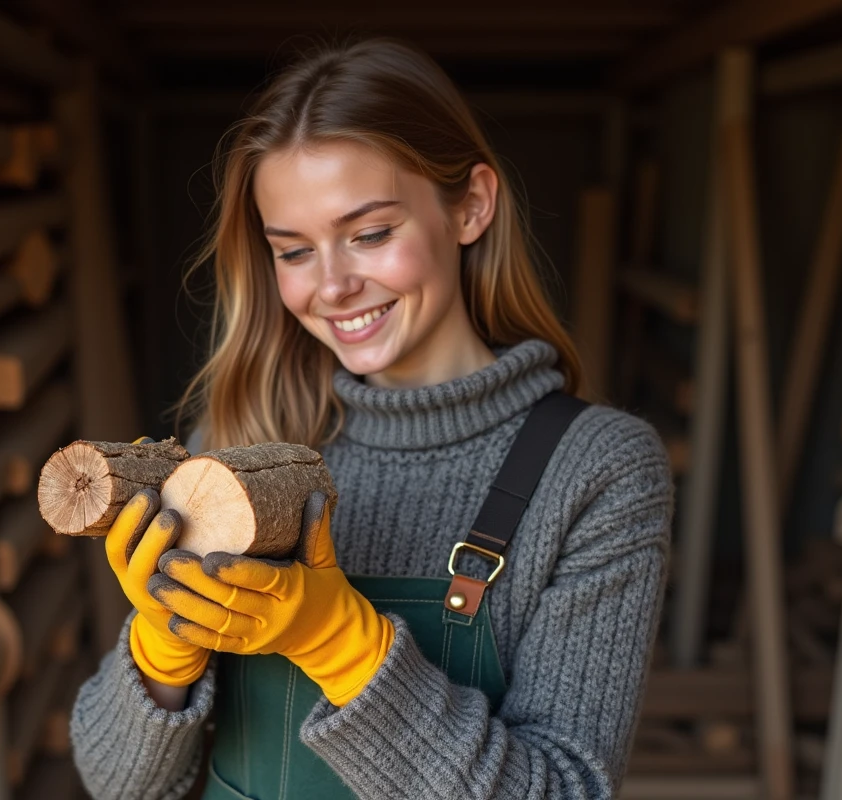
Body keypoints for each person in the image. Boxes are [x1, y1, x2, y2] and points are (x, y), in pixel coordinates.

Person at [71, 37, 673, 800]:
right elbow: (117, 783)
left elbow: (562, 791)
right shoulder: (238, 444)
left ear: (471, 206)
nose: (332, 286)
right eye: (293, 251)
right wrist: (160, 659)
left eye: (371, 234)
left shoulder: (595, 468)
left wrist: (340, 643)